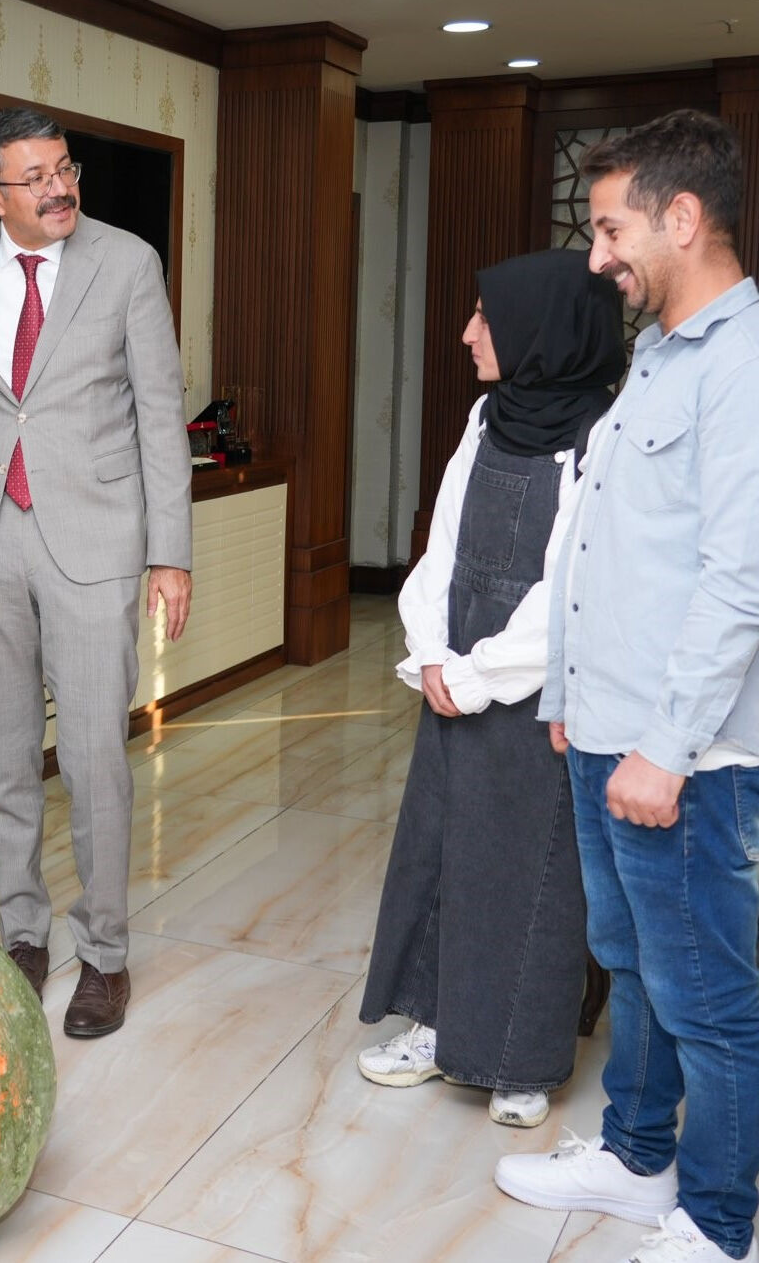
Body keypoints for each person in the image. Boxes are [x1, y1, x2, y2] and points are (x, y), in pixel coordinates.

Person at [493, 109, 759, 1263]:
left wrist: (660, 746)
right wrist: (565, 692)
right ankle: (637, 1157)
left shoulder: (741, 364)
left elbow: (735, 579)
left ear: (681, 218)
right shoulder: (657, 350)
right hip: (604, 727)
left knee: (706, 994)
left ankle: (720, 1218)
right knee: (633, 962)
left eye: (610, 229)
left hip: (680, 752)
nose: (596, 256)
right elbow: (606, 539)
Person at [0, 107, 193, 1038]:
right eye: (36, 176)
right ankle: (23, 933)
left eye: (66, 169)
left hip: (96, 537)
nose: (59, 188)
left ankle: (104, 955)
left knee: (95, 758)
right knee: (7, 756)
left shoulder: (126, 262)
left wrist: (168, 550)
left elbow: (159, 407)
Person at [357, 249, 625, 1129]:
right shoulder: (485, 414)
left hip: (532, 678)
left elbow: (572, 591)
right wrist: (430, 648)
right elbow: (440, 541)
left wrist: (478, 675)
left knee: (529, 867)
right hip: (456, 657)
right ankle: (437, 1027)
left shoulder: (600, 436)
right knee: (443, 849)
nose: (471, 331)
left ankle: (520, 1058)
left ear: (540, 333)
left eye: (485, 317)